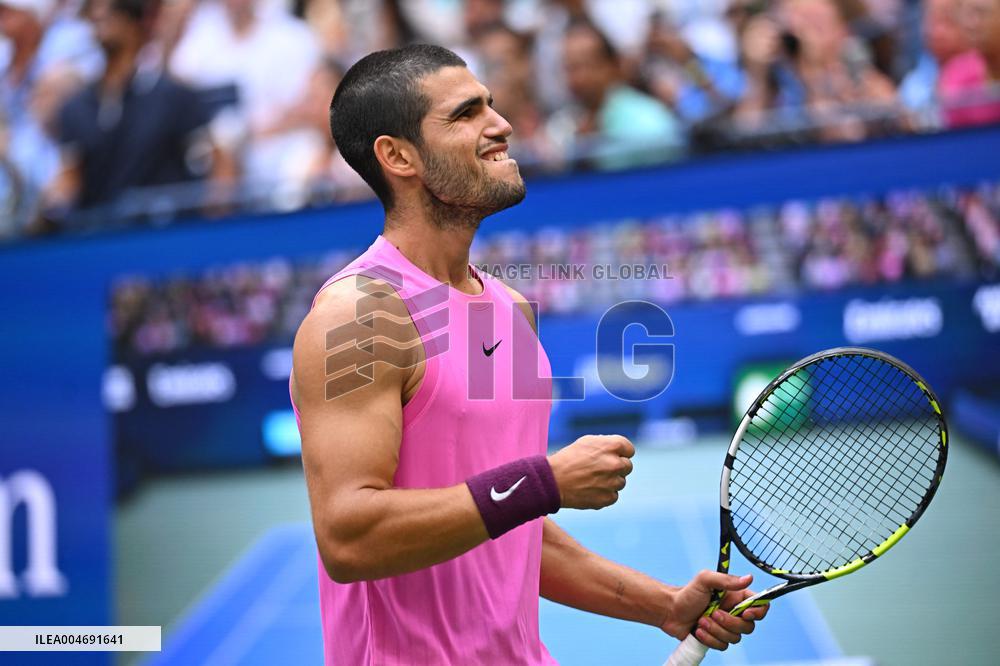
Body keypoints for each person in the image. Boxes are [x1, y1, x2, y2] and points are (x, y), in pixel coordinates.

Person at [290, 43, 767, 665]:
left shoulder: (510, 311)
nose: (501, 124)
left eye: (490, 104)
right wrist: (543, 481)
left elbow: (507, 528)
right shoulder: (361, 316)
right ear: (397, 155)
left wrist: (663, 605)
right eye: (465, 114)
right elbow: (350, 537)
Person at [44, 0, 230, 225]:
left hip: (164, 234)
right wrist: (50, 205)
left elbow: (217, 161)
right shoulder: (76, 106)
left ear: (135, 22)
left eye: (111, 10)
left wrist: (214, 220)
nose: (99, 16)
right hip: (100, 238)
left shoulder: (172, 95)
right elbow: (70, 175)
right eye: (94, 11)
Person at [550, 18, 684, 170]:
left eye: (586, 65)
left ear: (613, 65)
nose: (577, 78)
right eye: (569, 68)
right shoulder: (568, 126)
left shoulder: (649, 123)